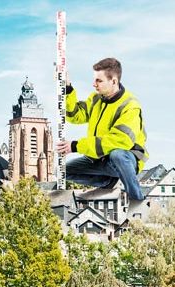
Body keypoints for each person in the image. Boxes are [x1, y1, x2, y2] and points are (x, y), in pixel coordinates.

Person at [60, 57, 148, 201]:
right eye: (94, 80)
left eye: (99, 81)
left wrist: (76, 146)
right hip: (99, 158)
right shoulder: (96, 99)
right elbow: (75, 115)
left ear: (114, 81)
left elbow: (119, 141)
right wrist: (68, 87)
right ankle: (107, 182)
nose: (94, 84)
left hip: (124, 160)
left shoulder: (130, 106)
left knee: (118, 154)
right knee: (63, 171)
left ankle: (136, 199)